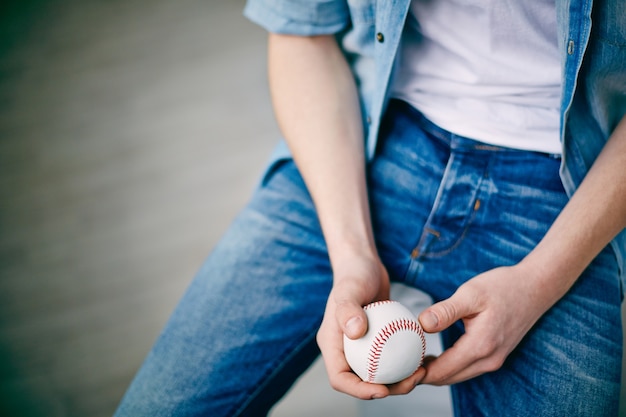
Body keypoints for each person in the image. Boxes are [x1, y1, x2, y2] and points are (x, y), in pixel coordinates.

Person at [114, 0, 626, 416]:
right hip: (366, 141)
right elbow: (300, 31)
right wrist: (351, 252)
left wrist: (541, 281)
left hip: (567, 190)